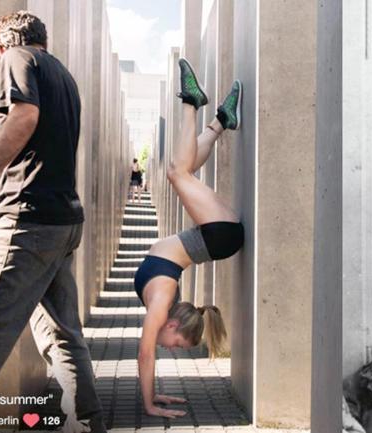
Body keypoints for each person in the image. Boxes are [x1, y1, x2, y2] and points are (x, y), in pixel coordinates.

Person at [0, 11, 104, 433]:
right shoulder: (62, 75)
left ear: (5, 43)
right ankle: (87, 423)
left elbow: (26, 119)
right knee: (63, 335)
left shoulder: (16, 57)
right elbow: (31, 125)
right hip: (62, 221)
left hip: (27, 221)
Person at [132, 58, 243, 419]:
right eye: (179, 345)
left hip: (216, 235)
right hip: (217, 235)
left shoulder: (162, 305)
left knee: (184, 168)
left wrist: (153, 398)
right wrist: (150, 403)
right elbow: (146, 354)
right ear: (174, 325)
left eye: (178, 348)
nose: (174, 350)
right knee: (177, 171)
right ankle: (191, 103)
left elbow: (146, 353)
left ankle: (219, 121)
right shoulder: (162, 302)